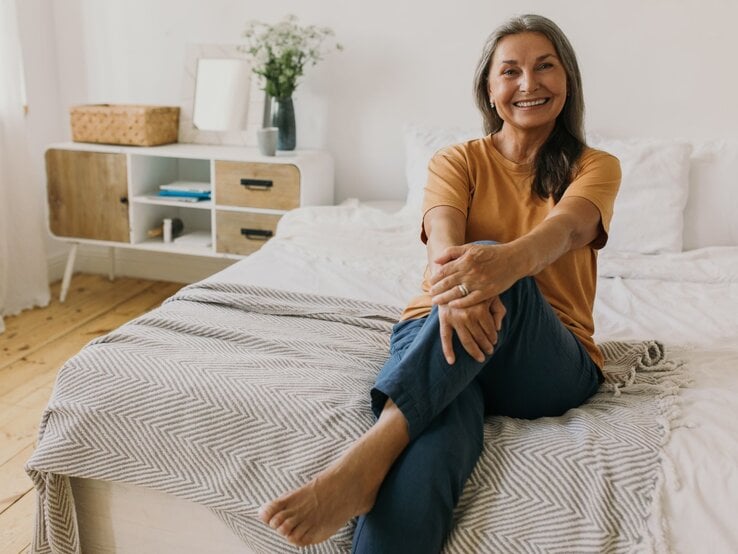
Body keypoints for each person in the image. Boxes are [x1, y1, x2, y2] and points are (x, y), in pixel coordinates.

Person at [258, 13, 621, 553]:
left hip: (546, 361)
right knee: (435, 436)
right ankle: (377, 470)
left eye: (545, 67)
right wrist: (457, 293)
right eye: (510, 72)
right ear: (489, 89)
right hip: (436, 328)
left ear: (568, 79)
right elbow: (443, 247)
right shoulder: (457, 160)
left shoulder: (596, 166)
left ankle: (369, 454)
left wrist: (489, 274)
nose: (529, 84)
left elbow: (563, 232)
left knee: (501, 263)